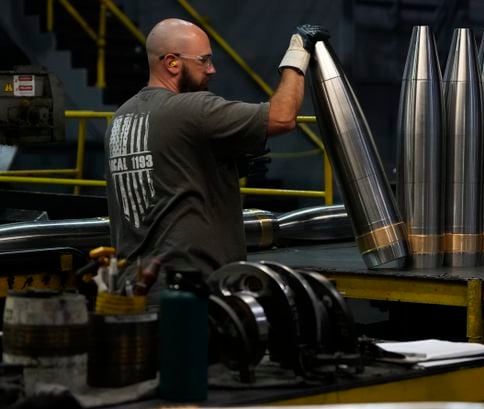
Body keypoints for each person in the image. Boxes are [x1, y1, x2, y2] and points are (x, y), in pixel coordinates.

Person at [104, 18, 329, 298]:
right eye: (204, 60)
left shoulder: (121, 117)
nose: (212, 69)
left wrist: (223, 168)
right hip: (192, 288)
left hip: (133, 286)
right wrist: (297, 54)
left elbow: (165, 176)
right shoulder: (192, 108)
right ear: (172, 63)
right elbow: (283, 117)